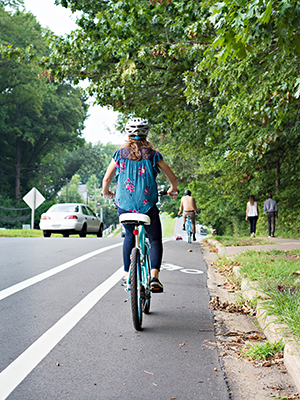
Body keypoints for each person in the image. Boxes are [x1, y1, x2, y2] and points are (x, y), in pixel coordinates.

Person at [102, 117, 178, 293]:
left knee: (129, 236)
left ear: (127, 134)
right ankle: (154, 278)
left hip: (124, 205)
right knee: (155, 239)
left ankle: (127, 274)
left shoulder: (119, 155)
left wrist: (106, 192)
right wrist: (172, 189)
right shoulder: (153, 155)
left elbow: (107, 178)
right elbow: (172, 177)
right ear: (146, 133)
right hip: (147, 206)